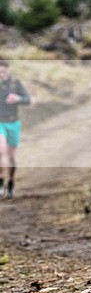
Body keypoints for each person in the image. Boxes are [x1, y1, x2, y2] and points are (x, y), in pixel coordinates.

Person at [0, 60, 32, 199]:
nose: (1, 74)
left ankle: (11, 182)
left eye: (4, 71)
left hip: (13, 123)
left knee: (11, 156)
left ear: (8, 71)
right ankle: (0, 181)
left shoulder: (15, 83)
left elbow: (27, 99)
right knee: (0, 151)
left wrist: (17, 98)